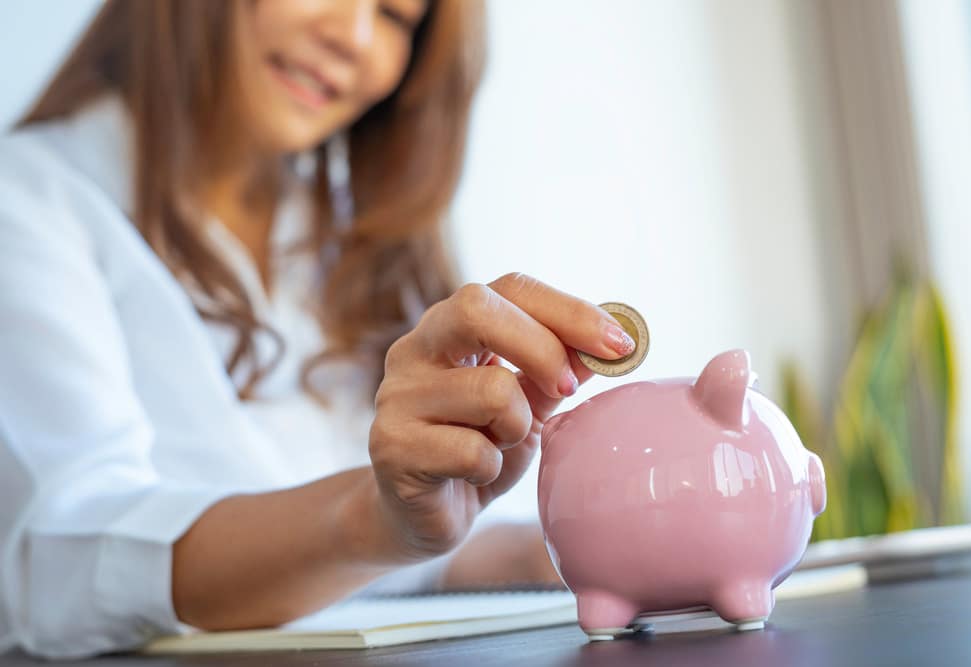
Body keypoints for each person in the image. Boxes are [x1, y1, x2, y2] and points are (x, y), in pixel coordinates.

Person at [0, 0, 636, 659]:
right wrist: (376, 516)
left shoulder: (360, 244)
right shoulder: (28, 202)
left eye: (395, 16)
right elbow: (61, 562)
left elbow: (422, 551)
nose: (353, 37)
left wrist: (557, 546)